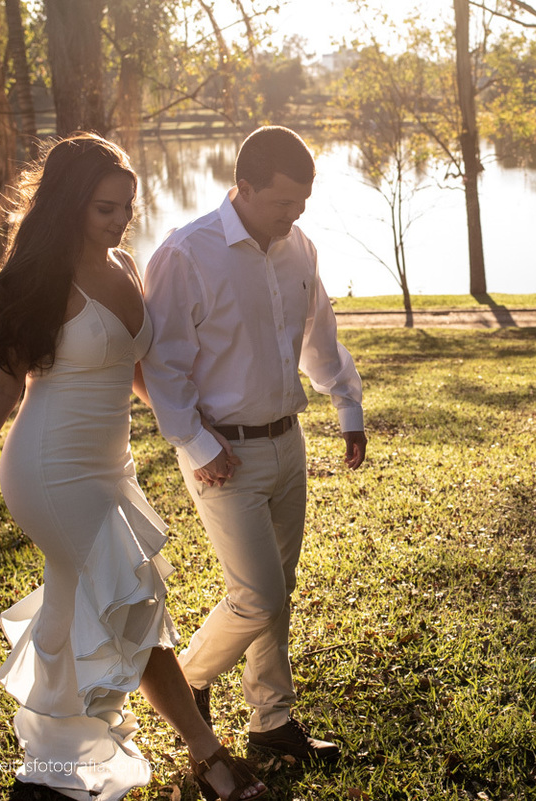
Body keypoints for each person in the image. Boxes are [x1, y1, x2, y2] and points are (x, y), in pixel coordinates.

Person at [0, 133, 267, 801]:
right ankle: (210, 758)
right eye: (104, 207)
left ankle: (52, 768)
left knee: (83, 608)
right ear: (71, 203)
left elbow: (134, 370)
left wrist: (191, 433)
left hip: (112, 466)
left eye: (127, 208)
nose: (118, 220)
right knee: (131, 600)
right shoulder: (41, 278)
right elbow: (1, 386)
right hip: (49, 467)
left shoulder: (127, 266)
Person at [140, 125, 366, 761]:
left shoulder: (301, 248)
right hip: (221, 455)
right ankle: (187, 678)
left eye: (302, 204)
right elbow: (163, 368)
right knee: (258, 596)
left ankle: (271, 723)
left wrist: (347, 405)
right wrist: (198, 445)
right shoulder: (187, 254)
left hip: (287, 443)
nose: (292, 216)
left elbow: (320, 334)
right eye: (281, 203)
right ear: (241, 188)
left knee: (277, 592)